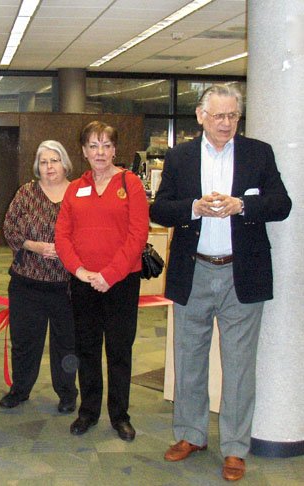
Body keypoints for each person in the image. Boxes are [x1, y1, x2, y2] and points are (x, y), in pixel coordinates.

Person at [150, 85, 291, 481]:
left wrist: (242, 205)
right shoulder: (179, 157)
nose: (227, 123)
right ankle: (191, 435)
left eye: (233, 116)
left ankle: (234, 448)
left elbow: (282, 204)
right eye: (219, 116)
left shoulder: (258, 153)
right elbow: (160, 208)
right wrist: (192, 209)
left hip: (240, 274)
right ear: (201, 116)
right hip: (192, 271)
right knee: (189, 361)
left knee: (239, 367)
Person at [55, 121, 149, 441]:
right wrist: (80, 271)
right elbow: (62, 235)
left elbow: (138, 235)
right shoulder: (74, 188)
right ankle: (88, 411)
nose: (100, 152)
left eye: (106, 145)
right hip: (84, 282)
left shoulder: (130, 183)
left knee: (119, 350)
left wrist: (109, 275)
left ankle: (119, 415)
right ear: (83, 151)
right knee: (87, 349)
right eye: (93, 146)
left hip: (120, 282)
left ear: (114, 150)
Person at [0, 140, 78, 413]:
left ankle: (67, 393)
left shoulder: (79, 193)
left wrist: (68, 249)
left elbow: (90, 233)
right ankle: (20, 389)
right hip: (27, 283)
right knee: (25, 341)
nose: (49, 167)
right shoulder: (26, 193)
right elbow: (9, 229)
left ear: (65, 163)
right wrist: (35, 246)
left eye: (54, 160)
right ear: (37, 167)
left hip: (67, 286)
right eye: (43, 162)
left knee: (66, 345)